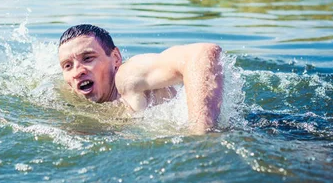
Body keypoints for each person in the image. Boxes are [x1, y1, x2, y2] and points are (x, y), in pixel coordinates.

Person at [58, 24, 223, 134]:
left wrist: (202, 138)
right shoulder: (69, 93)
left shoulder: (127, 76)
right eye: (67, 66)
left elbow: (203, 53)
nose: (77, 72)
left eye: (88, 58)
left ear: (115, 58)